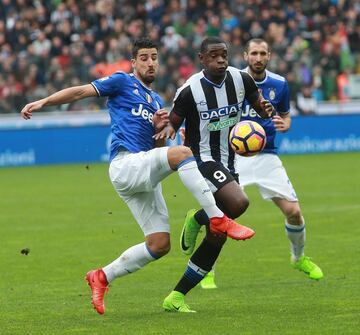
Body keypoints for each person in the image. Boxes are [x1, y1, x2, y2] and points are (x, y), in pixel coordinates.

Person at [20, 37, 255, 315]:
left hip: (142, 174)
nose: (150, 62)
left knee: (159, 245)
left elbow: (156, 151)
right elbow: (81, 92)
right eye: (144, 58)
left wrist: (159, 130)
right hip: (125, 164)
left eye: (154, 57)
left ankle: (102, 276)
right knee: (182, 152)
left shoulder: (156, 101)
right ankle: (216, 217)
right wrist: (44, 101)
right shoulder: (122, 82)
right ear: (133, 62)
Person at [154, 36, 274, 311]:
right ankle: (200, 216)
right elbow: (172, 125)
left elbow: (259, 106)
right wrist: (166, 131)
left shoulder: (241, 80)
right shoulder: (189, 91)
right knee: (239, 203)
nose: (221, 60)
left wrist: (265, 109)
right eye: (214, 56)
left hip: (228, 162)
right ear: (202, 59)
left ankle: (177, 296)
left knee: (217, 235)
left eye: (224, 55)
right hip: (200, 159)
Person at [197, 38, 324, 288]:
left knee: (294, 212)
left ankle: (298, 258)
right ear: (245, 55)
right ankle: (206, 268)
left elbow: (285, 116)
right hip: (234, 157)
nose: (258, 57)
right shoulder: (231, 81)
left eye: (262, 53)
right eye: (253, 53)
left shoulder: (279, 84)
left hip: (267, 155)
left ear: (268, 56)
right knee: (221, 214)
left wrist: (286, 124)